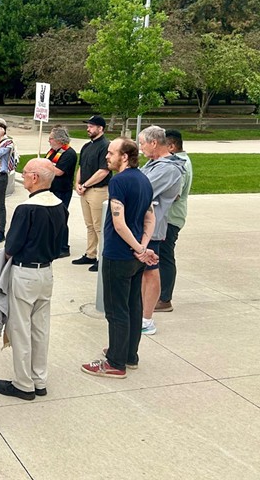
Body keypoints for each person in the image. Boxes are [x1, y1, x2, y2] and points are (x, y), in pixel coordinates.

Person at [81, 138, 156, 378]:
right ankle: (128, 354)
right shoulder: (144, 179)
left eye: (112, 153)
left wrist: (138, 248)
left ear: (125, 156)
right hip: (135, 257)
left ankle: (115, 363)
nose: (107, 156)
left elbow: (119, 222)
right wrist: (142, 247)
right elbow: (150, 217)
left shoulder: (119, 181)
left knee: (116, 311)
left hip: (118, 255)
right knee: (133, 306)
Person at [0, 159, 67, 400]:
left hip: (25, 273)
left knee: (21, 329)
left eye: (25, 174)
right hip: (46, 272)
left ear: (35, 178)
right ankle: (39, 379)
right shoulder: (59, 205)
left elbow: (12, 246)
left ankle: (23, 383)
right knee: (40, 328)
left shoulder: (27, 209)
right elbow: (61, 246)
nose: (23, 177)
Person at [138, 126, 184, 336]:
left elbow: (141, 189)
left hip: (153, 229)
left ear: (154, 143)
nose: (140, 148)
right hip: (141, 226)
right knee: (142, 272)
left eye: (142, 143)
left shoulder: (169, 168)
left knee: (150, 271)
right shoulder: (155, 163)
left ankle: (147, 320)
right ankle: (140, 313)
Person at [157, 129, 193, 313]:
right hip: (168, 216)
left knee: (165, 257)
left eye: (163, 145)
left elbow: (175, 194)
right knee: (163, 256)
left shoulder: (181, 164)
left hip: (171, 218)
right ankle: (159, 295)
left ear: (171, 146)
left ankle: (165, 299)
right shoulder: (177, 161)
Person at [73, 115, 111, 272]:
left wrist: (86, 184)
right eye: (88, 126)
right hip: (85, 191)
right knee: (89, 225)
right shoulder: (86, 146)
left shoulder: (106, 146)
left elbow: (103, 171)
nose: (88, 128)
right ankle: (90, 254)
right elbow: (81, 167)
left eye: (91, 126)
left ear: (100, 128)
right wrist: (77, 184)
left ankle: (103, 258)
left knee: (99, 226)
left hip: (99, 191)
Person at [45, 126, 78, 258]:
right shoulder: (53, 151)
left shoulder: (69, 153)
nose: (49, 141)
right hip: (51, 189)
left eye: (51, 138)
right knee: (51, 219)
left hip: (62, 191)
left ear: (59, 140)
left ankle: (64, 247)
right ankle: (53, 244)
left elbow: (59, 171)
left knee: (61, 219)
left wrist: (45, 166)